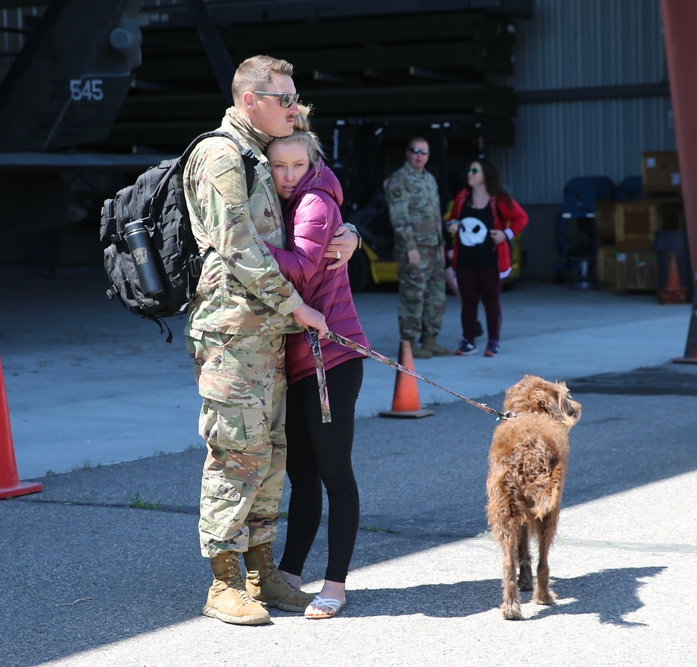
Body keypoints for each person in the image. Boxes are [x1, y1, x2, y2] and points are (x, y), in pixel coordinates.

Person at [182, 54, 357, 626]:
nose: (294, 105)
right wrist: (294, 305)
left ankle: (262, 573)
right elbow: (236, 245)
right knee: (234, 455)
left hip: (271, 340)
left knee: (270, 458)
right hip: (234, 335)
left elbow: (310, 209)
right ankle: (224, 581)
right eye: (284, 97)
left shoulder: (262, 156)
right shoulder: (220, 155)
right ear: (250, 100)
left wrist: (349, 231)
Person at [263, 107, 368, 620]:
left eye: (296, 164)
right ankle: (290, 574)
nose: (287, 175)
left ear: (314, 160)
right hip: (303, 362)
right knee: (302, 476)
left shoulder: (316, 202)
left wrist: (243, 249)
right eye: (278, 166)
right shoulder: (294, 202)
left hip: (334, 359)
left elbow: (303, 270)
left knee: (333, 474)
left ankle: (337, 583)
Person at [446, 157, 528, 356]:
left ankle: (493, 342)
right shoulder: (462, 197)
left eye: (475, 171)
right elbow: (452, 220)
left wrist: (505, 234)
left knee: (491, 301)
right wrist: (451, 226)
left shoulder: (499, 200)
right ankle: (468, 341)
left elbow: (521, 218)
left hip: (490, 261)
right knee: (468, 301)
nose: (469, 174)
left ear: (486, 175)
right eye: (469, 170)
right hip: (465, 260)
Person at [385, 136, 453, 358]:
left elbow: (435, 216)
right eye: (415, 151)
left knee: (436, 296)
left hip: (433, 247)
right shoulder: (398, 180)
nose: (419, 155)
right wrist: (410, 248)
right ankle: (409, 342)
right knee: (412, 295)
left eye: (424, 152)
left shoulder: (430, 180)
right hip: (414, 249)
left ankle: (430, 339)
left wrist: (442, 245)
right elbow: (399, 217)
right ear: (407, 153)